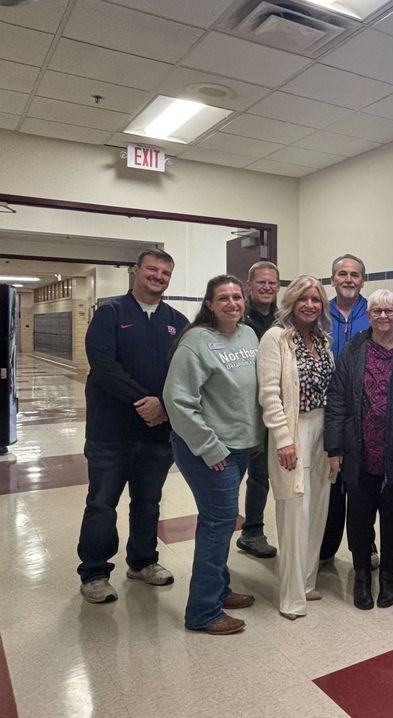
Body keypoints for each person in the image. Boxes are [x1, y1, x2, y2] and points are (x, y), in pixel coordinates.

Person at [77, 248, 189, 603]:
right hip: (110, 432)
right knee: (101, 503)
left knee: (148, 502)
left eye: (165, 273)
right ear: (136, 271)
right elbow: (103, 365)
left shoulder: (177, 320)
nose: (158, 277)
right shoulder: (110, 314)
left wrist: (164, 407)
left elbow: (184, 373)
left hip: (157, 434)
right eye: (152, 270)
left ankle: (142, 562)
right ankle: (94, 572)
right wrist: (146, 401)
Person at [163, 275, 261, 635]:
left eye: (237, 297)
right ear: (210, 304)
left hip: (240, 447)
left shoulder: (249, 335)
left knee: (220, 521)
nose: (232, 303)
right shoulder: (195, 341)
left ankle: (219, 591)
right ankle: (203, 612)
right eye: (224, 298)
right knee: (218, 525)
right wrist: (208, 446)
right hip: (209, 450)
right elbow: (177, 400)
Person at [324, 288, 393, 610]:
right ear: (368, 316)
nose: (383, 316)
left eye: (389, 311)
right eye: (377, 311)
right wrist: (334, 447)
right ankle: (361, 576)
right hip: (359, 451)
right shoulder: (353, 351)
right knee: (359, 518)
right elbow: (337, 400)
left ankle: (388, 575)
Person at [257, 275, 336, 620]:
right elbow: (269, 394)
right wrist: (283, 439)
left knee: (317, 509)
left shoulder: (323, 339)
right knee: (293, 512)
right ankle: (290, 596)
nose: (309, 305)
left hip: (322, 430)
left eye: (316, 299)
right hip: (293, 429)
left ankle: (306, 581)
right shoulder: (275, 338)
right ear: (290, 302)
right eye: (303, 299)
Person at [319, 253, 376, 569]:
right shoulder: (316, 312)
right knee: (328, 484)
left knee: (362, 486)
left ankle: (365, 548)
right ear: (332, 279)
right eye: (342, 273)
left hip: (363, 416)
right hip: (321, 411)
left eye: (355, 274)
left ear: (363, 280)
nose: (349, 279)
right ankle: (325, 549)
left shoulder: (374, 313)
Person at [237, 260, 280, 559]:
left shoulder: (283, 320)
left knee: (261, 474)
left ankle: (252, 531)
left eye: (272, 283)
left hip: (272, 408)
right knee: (232, 475)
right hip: (241, 411)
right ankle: (234, 531)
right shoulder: (237, 318)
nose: (266, 287)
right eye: (260, 282)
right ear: (249, 285)